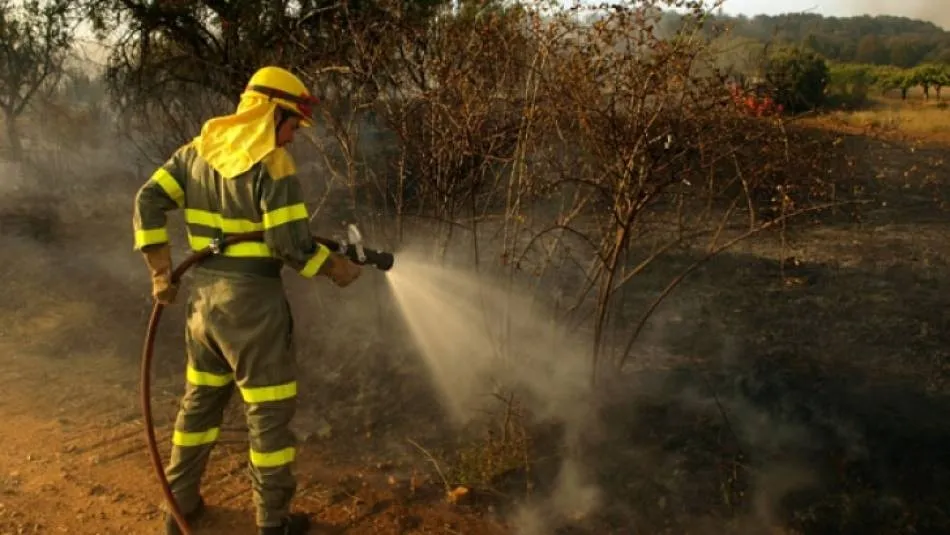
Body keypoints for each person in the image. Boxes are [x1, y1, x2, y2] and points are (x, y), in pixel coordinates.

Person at [132, 65, 362, 535]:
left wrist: (161, 272)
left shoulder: (195, 153)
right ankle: (273, 523)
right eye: (293, 124)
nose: (294, 136)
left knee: (199, 405)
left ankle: (179, 510)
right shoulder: (273, 164)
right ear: (270, 113)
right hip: (253, 309)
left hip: (204, 308)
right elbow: (290, 245)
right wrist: (336, 268)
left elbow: (147, 200)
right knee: (269, 414)